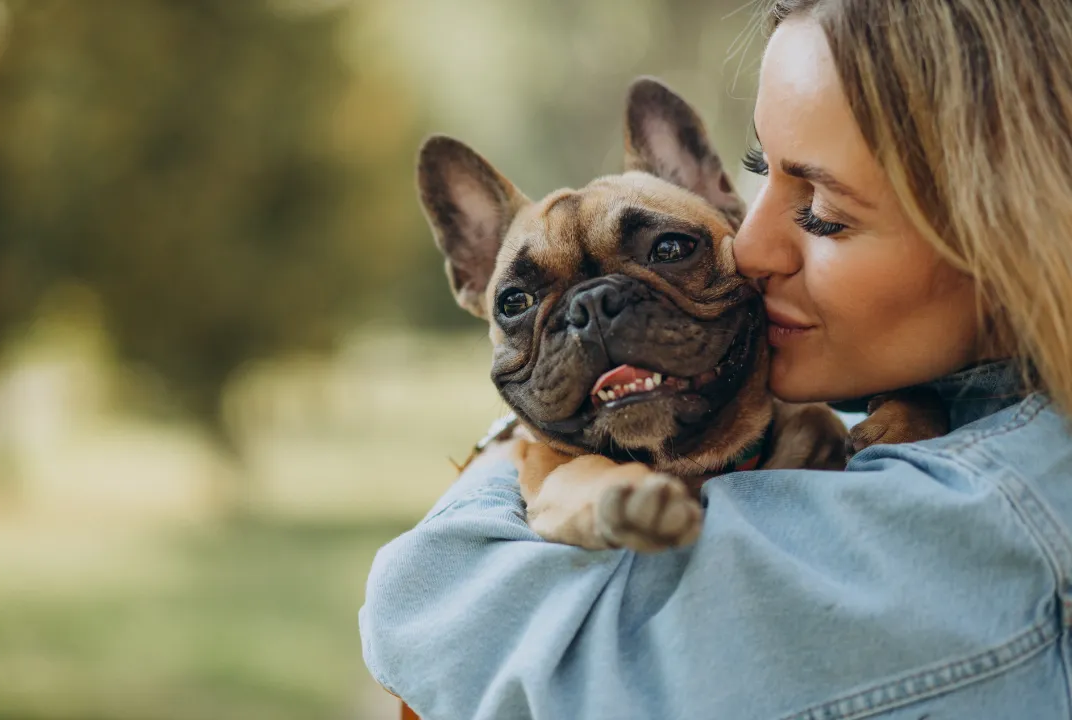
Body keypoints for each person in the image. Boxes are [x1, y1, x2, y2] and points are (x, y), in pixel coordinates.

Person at [360, 0, 1072, 717]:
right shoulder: (926, 425)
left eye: (824, 207)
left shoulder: (983, 520)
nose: (749, 247)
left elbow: (427, 619)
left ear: (1002, 222)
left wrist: (508, 462)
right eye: (760, 172)